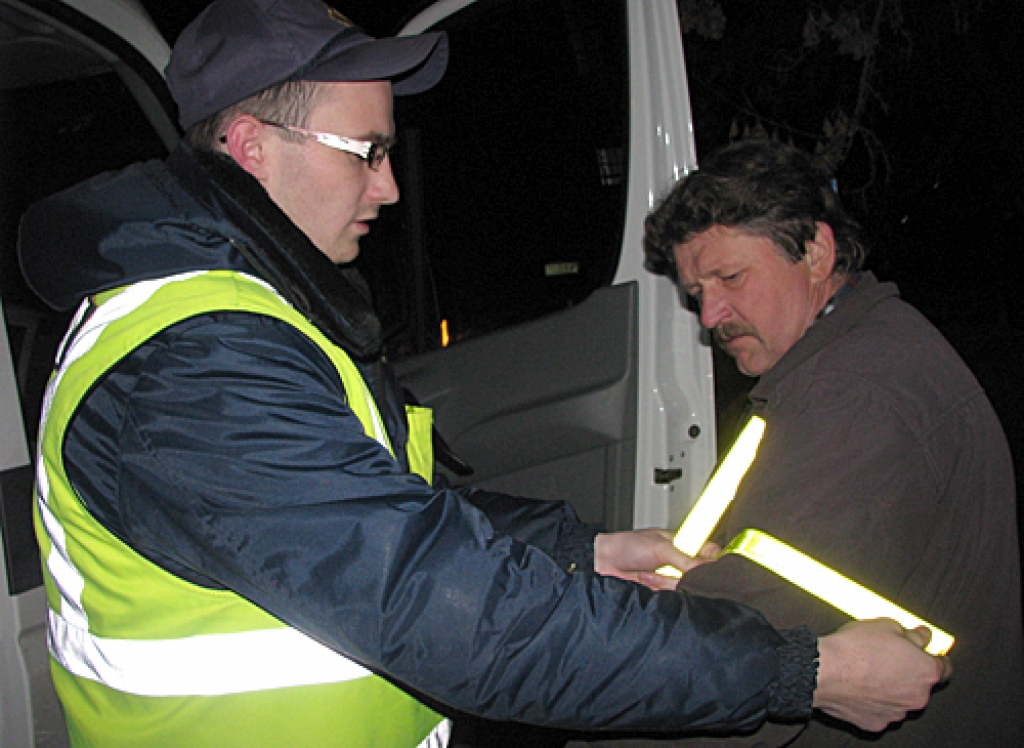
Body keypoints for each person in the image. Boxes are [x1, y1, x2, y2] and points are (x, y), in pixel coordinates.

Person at [17, 2, 948, 747]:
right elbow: (441, 602)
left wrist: (582, 550)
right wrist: (798, 672)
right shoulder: (190, 362)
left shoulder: (261, 319)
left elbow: (387, 519)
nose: (387, 187)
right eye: (367, 153)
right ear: (253, 146)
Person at [631, 139, 1024, 747]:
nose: (710, 314)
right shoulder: (841, 361)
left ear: (815, 252)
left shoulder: (855, 397)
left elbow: (750, 649)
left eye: (730, 277)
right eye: (696, 293)